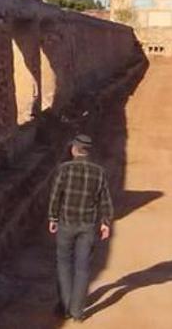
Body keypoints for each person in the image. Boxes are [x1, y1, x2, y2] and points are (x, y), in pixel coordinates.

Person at [48, 133, 114, 321]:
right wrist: (105, 222)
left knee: (63, 263)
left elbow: (55, 196)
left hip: (66, 223)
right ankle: (77, 311)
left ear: (73, 149)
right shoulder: (98, 172)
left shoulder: (64, 170)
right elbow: (105, 200)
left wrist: (53, 218)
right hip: (87, 225)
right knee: (83, 267)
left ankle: (65, 306)